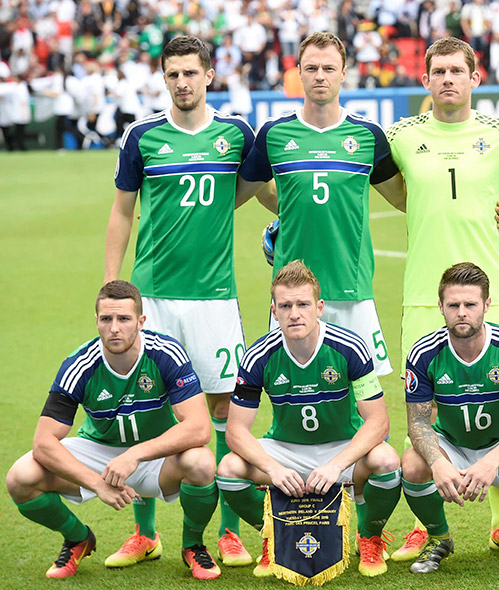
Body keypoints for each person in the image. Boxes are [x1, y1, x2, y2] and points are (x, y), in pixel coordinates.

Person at [104, 35, 265, 571]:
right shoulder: (142, 135)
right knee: (147, 407)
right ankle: (144, 533)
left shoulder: (236, 133)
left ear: (209, 75)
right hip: (152, 295)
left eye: (190, 73)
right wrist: (113, 285)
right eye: (173, 74)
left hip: (215, 299)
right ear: (164, 78)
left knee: (223, 410)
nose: (182, 82)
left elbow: (258, 189)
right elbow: (122, 211)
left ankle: (226, 533)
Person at [385, 36, 499, 558]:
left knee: (497, 403)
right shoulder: (400, 136)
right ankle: (425, 523)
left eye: (458, 70)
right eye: (439, 71)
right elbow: (371, 186)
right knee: (421, 407)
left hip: (488, 293)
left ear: (476, 78)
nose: (448, 79)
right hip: (422, 294)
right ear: (425, 80)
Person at [5, 281, 221, 580]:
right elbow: (43, 442)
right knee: (21, 477)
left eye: (124, 319)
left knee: (201, 462)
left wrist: (135, 455)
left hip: (156, 457)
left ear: (141, 321)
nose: (114, 328)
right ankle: (77, 538)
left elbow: (198, 428)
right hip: (99, 453)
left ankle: (193, 545)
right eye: (106, 319)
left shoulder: (166, 353)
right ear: (96, 321)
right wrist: (97, 483)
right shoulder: (79, 365)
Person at [216, 261, 402, 577]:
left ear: (319, 307)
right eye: (285, 306)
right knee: (228, 469)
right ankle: (275, 536)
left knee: (386, 460)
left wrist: (336, 465)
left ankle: (369, 537)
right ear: (274, 311)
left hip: (341, 448)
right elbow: (235, 431)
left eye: (303, 304)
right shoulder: (258, 356)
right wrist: (273, 468)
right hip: (286, 450)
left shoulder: (350, 347)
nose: (294, 314)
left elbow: (378, 422)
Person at [239, 32, 405, 379]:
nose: (320, 76)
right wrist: (289, 211)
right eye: (311, 68)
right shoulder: (274, 134)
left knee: (363, 392)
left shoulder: (367, 135)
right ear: (298, 72)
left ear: (344, 73)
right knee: (291, 388)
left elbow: (403, 198)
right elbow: (243, 190)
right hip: (292, 293)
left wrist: (479, 203)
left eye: (329, 68)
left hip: (351, 287)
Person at [401, 263, 499, 574]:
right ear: (440, 306)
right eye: (453, 305)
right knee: (413, 464)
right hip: (452, 445)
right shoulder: (423, 352)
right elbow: (418, 423)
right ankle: (439, 538)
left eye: (470, 304)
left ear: (486, 305)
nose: (461, 313)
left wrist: (491, 461)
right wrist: (438, 462)